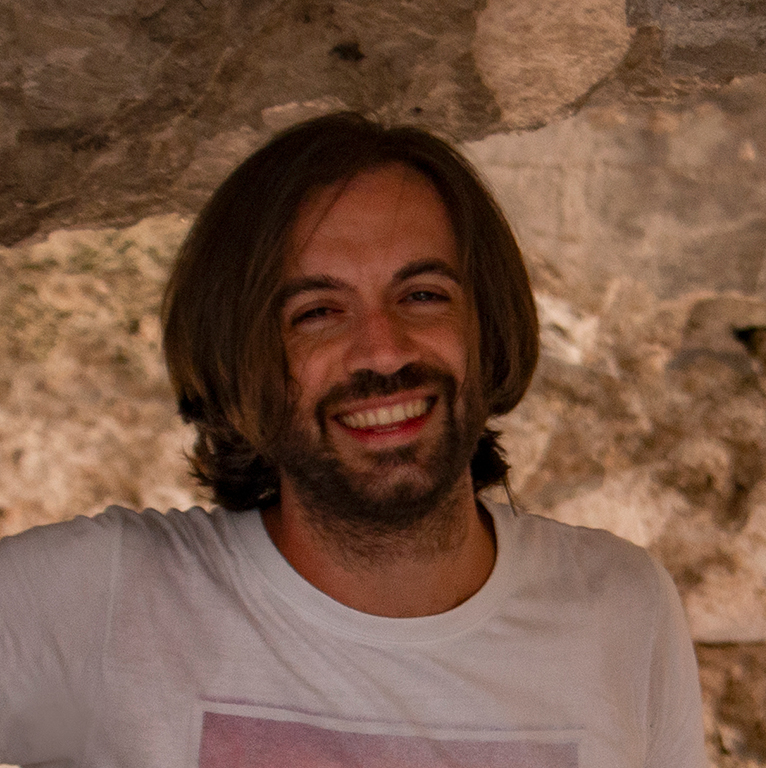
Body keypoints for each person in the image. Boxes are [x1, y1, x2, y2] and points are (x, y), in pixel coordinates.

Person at [0, 112, 705, 767]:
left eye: (422, 295)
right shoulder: (108, 599)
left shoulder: (620, 609)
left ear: (487, 326)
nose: (383, 350)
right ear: (240, 361)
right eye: (317, 312)